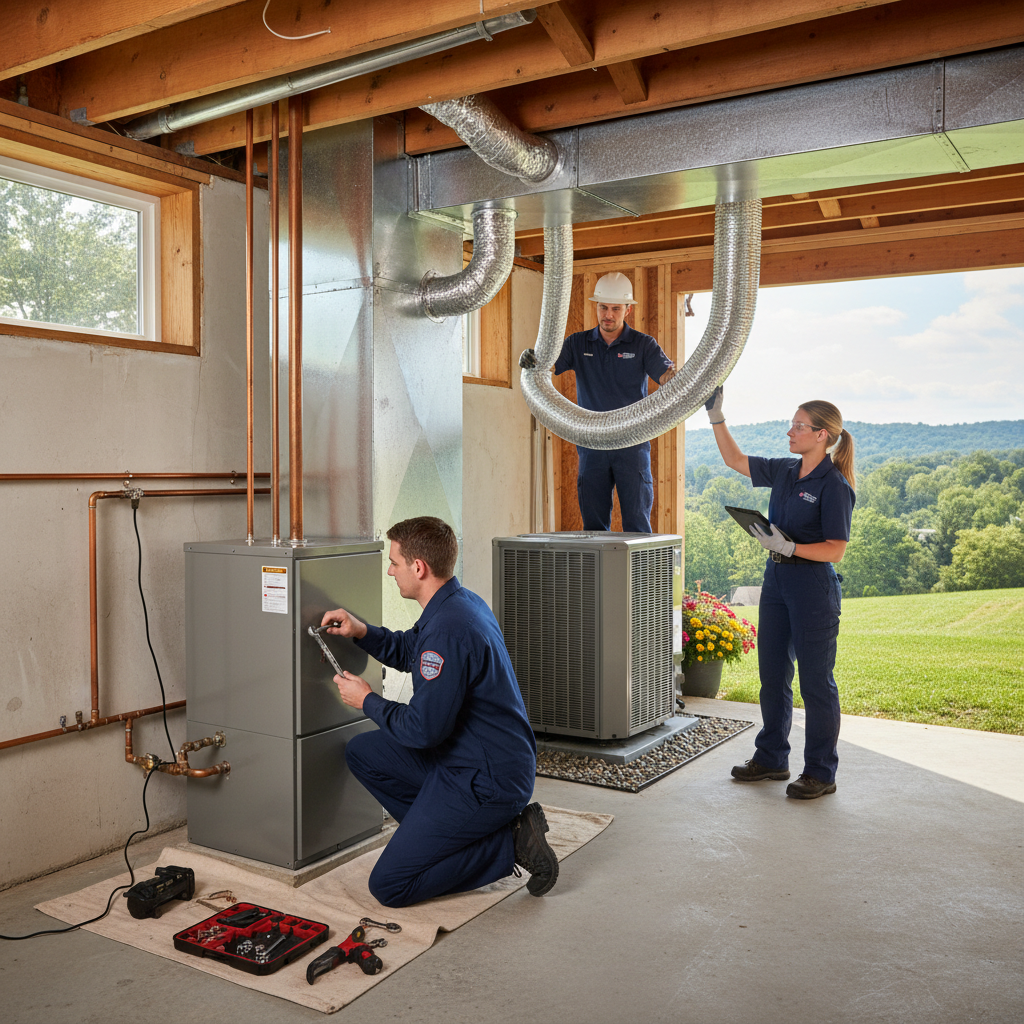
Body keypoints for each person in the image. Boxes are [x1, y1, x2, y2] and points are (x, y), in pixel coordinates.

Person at [319, 516, 558, 908]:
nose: (390, 570)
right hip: (467, 756)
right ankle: (442, 837)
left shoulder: (448, 630)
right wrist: (360, 631)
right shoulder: (457, 604)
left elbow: (421, 731)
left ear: (419, 568)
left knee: (390, 886)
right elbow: (409, 650)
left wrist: (367, 700)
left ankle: (510, 843)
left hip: (486, 778)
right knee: (363, 753)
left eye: (395, 562)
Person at [705, 388, 856, 799]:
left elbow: (835, 550)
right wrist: (717, 417)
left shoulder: (834, 485)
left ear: (822, 435)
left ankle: (821, 772)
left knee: (815, 683)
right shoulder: (787, 472)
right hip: (776, 583)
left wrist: (790, 547)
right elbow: (735, 461)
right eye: (792, 424)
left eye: (799, 426)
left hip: (812, 587)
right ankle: (772, 757)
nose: (790, 432)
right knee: (772, 675)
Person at [520, 272, 676, 533]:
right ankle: (600, 575)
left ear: (627, 310)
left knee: (637, 527)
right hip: (592, 447)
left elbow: (668, 378)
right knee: (593, 529)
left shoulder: (643, 345)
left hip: (632, 447)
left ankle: (638, 575)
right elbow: (545, 366)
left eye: (616, 308)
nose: (608, 315)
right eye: (603, 307)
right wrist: (530, 359)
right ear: (596, 307)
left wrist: (687, 379)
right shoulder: (578, 343)